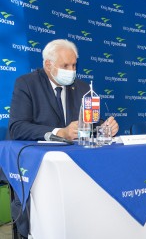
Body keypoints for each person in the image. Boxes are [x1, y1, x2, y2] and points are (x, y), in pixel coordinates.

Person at [6, 39, 119, 239]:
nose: (72, 70)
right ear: (48, 65)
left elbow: (92, 123)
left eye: (74, 65)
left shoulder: (83, 88)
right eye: (66, 65)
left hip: (77, 167)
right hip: (37, 167)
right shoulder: (27, 84)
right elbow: (17, 127)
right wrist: (60, 132)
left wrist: (105, 128)